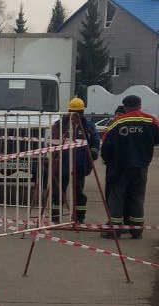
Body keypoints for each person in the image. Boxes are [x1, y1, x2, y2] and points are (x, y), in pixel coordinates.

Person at [101, 95, 159, 239]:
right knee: (137, 196)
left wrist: (109, 162)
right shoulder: (151, 121)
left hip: (120, 166)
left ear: (125, 106)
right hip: (141, 166)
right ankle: (137, 230)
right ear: (140, 105)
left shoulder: (118, 123)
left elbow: (106, 145)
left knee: (117, 197)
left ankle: (115, 230)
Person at [48, 98, 100, 223]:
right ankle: (55, 216)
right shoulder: (60, 125)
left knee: (78, 191)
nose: (75, 115)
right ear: (69, 111)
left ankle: (79, 217)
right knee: (58, 190)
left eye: (78, 113)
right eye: (73, 112)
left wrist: (94, 152)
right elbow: (52, 140)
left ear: (82, 112)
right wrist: (52, 154)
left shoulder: (88, 126)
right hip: (62, 163)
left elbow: (95, 141)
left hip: (80, 164)